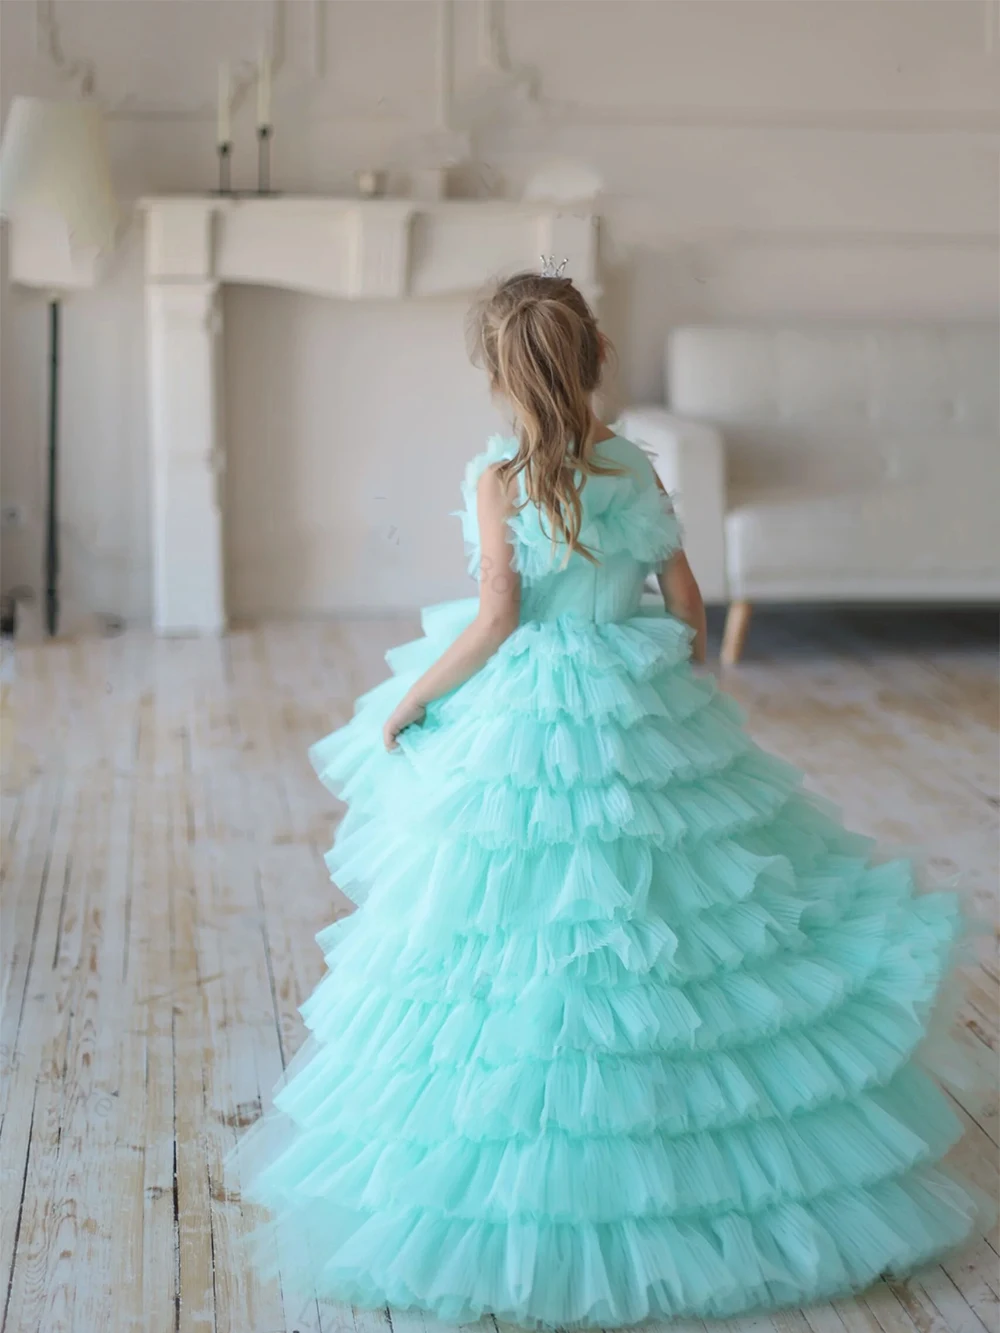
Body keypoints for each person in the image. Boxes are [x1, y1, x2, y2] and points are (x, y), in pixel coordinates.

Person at [229, 268, 985, 1327]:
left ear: (497, 374)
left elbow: (496, 617)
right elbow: (683, 601)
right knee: (672, 915)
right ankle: (691, 1131)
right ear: (594, 360)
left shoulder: (497, 476)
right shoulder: (634, 462)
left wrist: (410, 699)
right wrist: (665, 694)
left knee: (513, 915)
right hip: (632, 694)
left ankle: (539, 1138)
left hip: (531, 705)